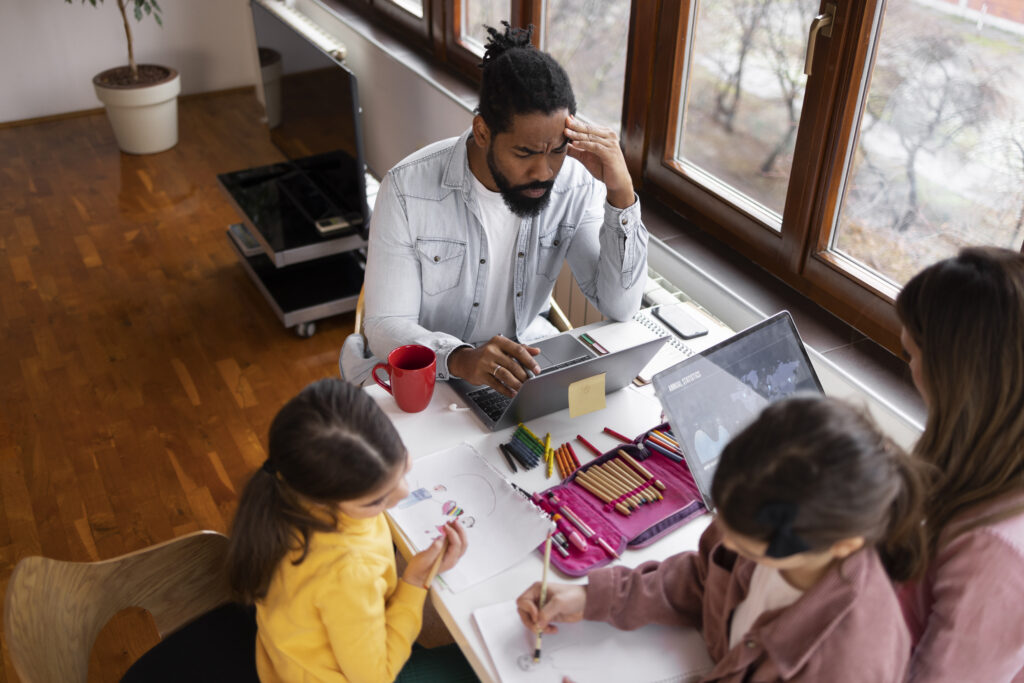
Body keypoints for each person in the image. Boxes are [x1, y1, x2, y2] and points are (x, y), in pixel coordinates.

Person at [517, 396, 927, 682]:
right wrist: (594, 598)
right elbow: (700, 575)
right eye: (722, 519)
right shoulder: (756, 508)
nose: (723, 540)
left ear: (840, 546)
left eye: (747, 545)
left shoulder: (851, 659)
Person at [341, 22, 648, 396]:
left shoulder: (575, 183)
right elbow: (386, 323)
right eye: (525, 153)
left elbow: (620, 306)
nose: (544, 172)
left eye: (557, 150)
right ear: (483, 131)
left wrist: (621, 193)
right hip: (428, 376)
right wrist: (459, 358)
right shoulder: (407, 189)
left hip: (521, 372)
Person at [225, 378, 474, 682]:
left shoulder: (291, 490)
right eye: (377, 500)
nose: (404, 493)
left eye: (404, 467)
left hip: (295, 655)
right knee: (484, 668)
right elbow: (375, 677)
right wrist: (415, 580)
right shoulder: (347, 571)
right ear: (329, 499)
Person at [895, 246, 1024, 682]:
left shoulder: (995, 554)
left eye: (912, 354)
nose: (911, 368)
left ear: (958, 379)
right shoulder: (990, 468)